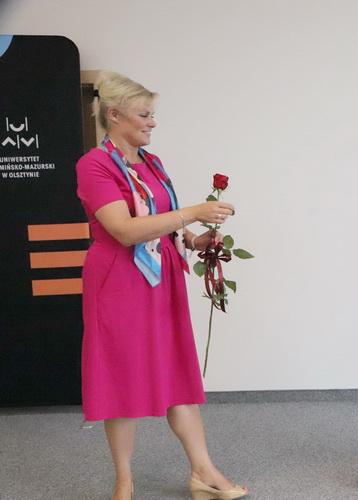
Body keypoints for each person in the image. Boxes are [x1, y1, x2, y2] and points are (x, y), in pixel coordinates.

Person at [76, 71, 247, 500]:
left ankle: (204, 471)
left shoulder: (152, 163)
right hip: (118, 281)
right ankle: (124, 480)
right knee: (121, 377)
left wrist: (194, 239)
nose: (153, 122)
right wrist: (192, 212)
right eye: (144, 114)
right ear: (115, 115)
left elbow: (158, 220)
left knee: (177, 371)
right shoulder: (94, 165)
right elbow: (123, 230)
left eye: (153, 114)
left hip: (162, 279)